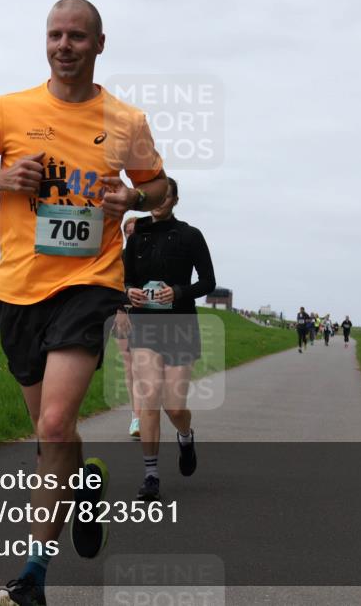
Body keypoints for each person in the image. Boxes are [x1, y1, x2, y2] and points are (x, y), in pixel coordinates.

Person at [0, 0, 167, 606]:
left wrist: (136, 201)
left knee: (53, 423)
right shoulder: (10, 110)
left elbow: (164, 191)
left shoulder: (126, 121)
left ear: (99, 44)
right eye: (54, 35)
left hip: (90, 284)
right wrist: (1, 177)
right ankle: (85, 485)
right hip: (17, 290)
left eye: (76, 36)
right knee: (52, 441)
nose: (63, 45)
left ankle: (32, 577)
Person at [124, 177, 215, 502]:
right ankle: (151, 476)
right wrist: (128, 293)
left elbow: (208, 282)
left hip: (179, 326)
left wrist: (177, 292)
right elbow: (124, 281)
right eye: (153, 196)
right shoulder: (136, 238)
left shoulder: (190, 236)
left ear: (175, 199)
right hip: (145, 326)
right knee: (149, 399)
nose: (159, 200)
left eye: (165, 196)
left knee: (174, 407)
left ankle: (186, 436)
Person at [117, 216, 140, 439]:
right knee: (130, 366)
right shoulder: (118, 258)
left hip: (150, 317)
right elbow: (111, 286)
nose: (131, 234)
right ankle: (136, 417)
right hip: (124, 314)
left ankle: (149, 409)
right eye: (128, 231)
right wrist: (119, 310)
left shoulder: (151, 257)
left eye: (135, 230)